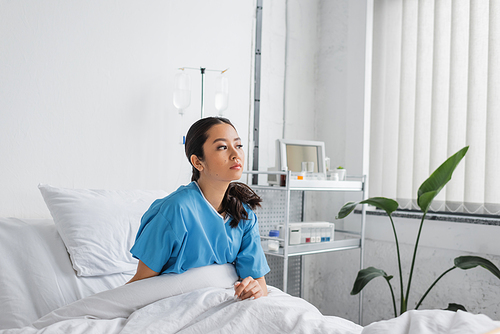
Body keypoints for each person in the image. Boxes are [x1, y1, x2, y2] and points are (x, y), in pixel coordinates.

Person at [128, 116, 270, 300]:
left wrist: (254, 290)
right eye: (222, 147)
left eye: (239, 145)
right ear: (197, 162)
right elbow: (140, 285)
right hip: (174, 304)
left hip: (224, 301)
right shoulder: (174, 210)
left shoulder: (243, 214)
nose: (236, 154)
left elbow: (258, 282)